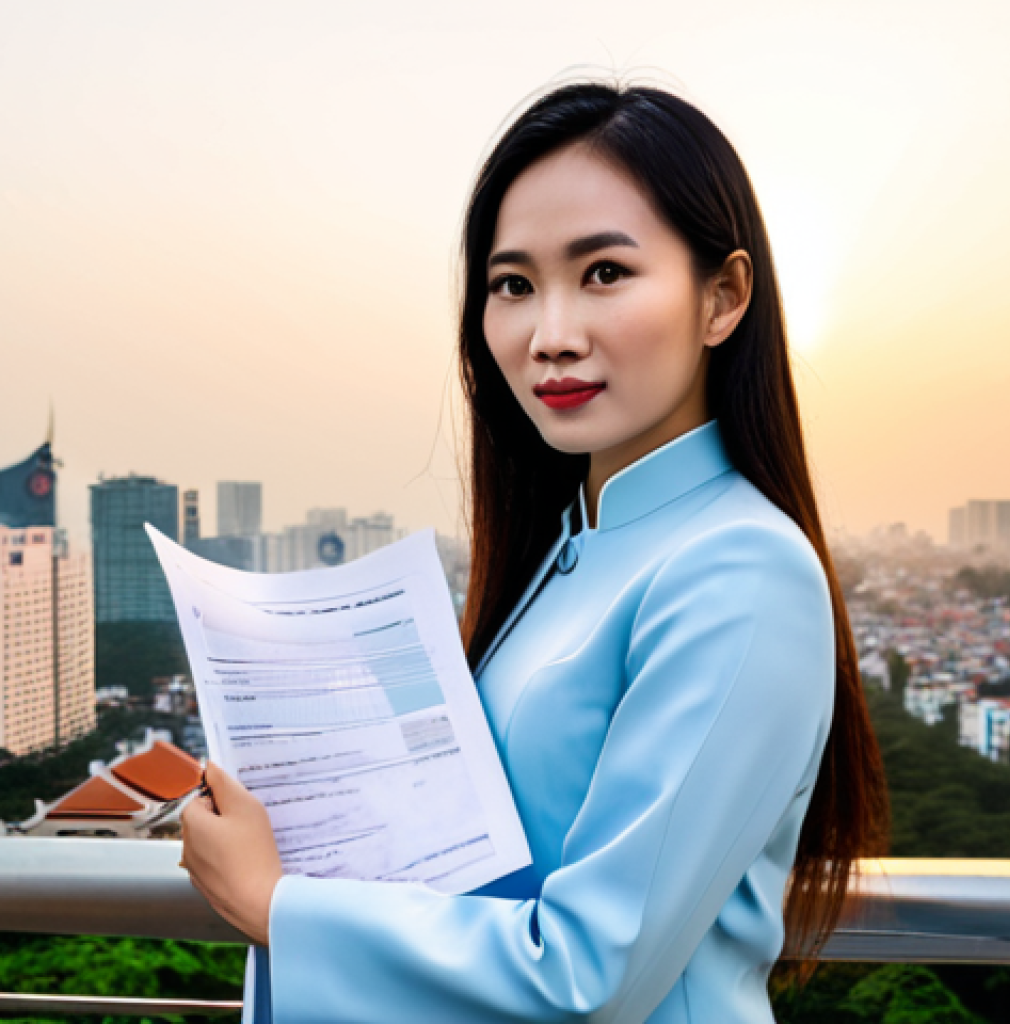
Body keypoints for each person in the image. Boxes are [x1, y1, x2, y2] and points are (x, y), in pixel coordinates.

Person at [180, 80, 889, 1023]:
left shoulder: (741, 569)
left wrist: (281, 908)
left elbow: (588, 976)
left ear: (722, 298)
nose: (550, 336)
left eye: (604, 273)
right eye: (513, 286)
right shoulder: (569, 550)